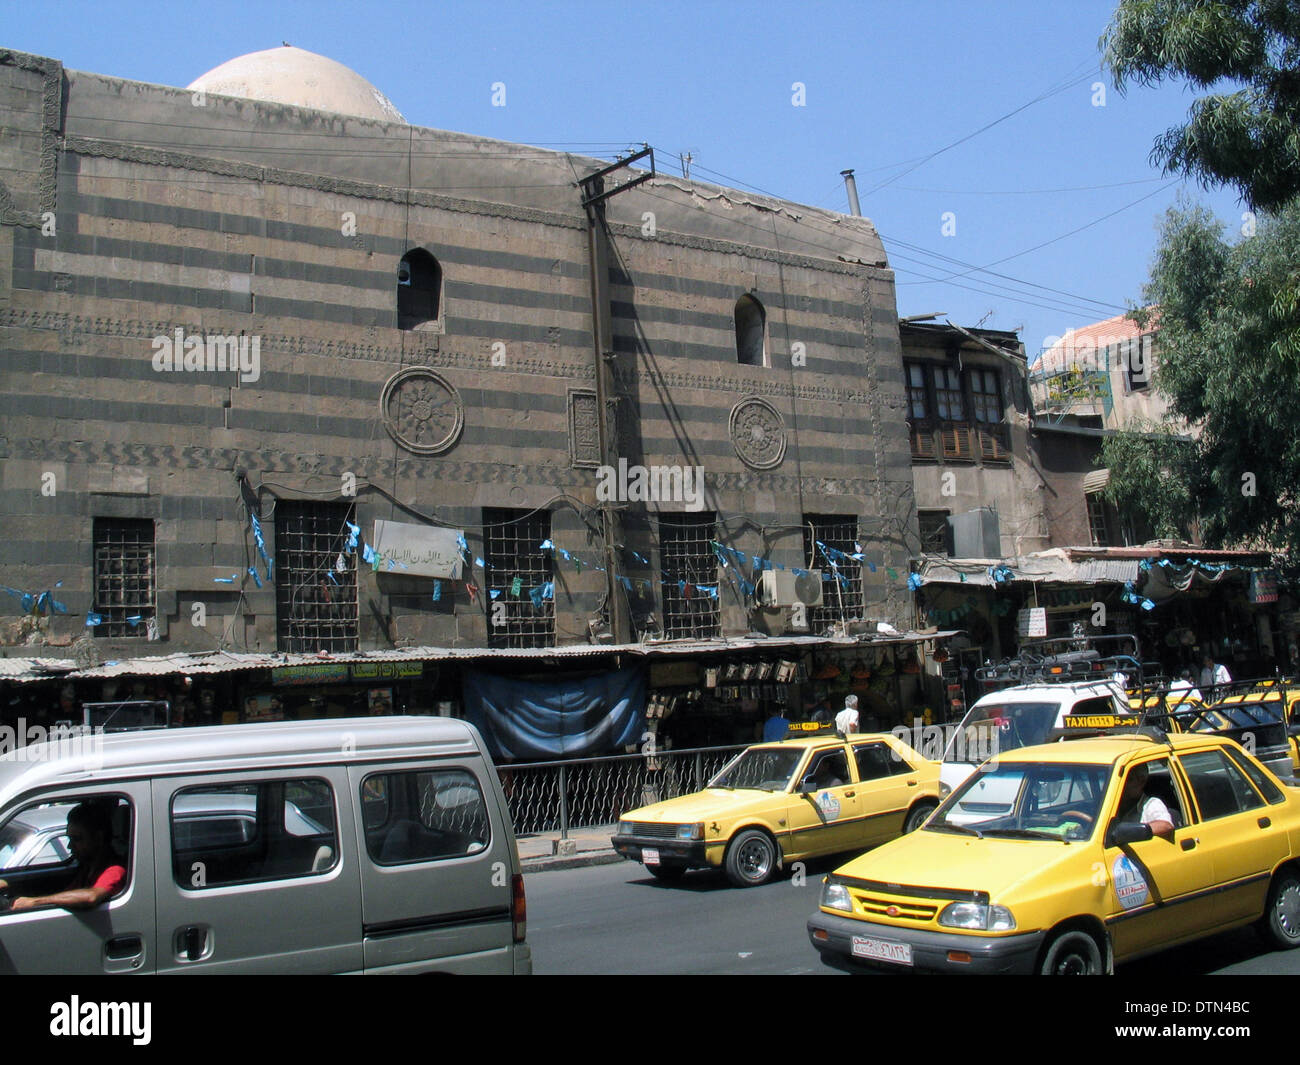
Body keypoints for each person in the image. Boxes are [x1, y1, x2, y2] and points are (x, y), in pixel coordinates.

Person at [0, 801, 126, 912]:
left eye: (77, 839)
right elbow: (65, 892)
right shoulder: (87, 868)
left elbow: (91, 896)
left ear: (98, 838)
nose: (70, 846)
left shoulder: (115, 870)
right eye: (70, 839)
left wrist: (35, 902)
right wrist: (11, 885)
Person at [1115, 762, 1174, 839]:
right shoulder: (1109, 805)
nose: (1123, 785)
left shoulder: (1151, 804)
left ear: (1141, 781)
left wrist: (1132, 832)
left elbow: (1166, 825)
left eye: (1128, 780)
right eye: (1119, 782)